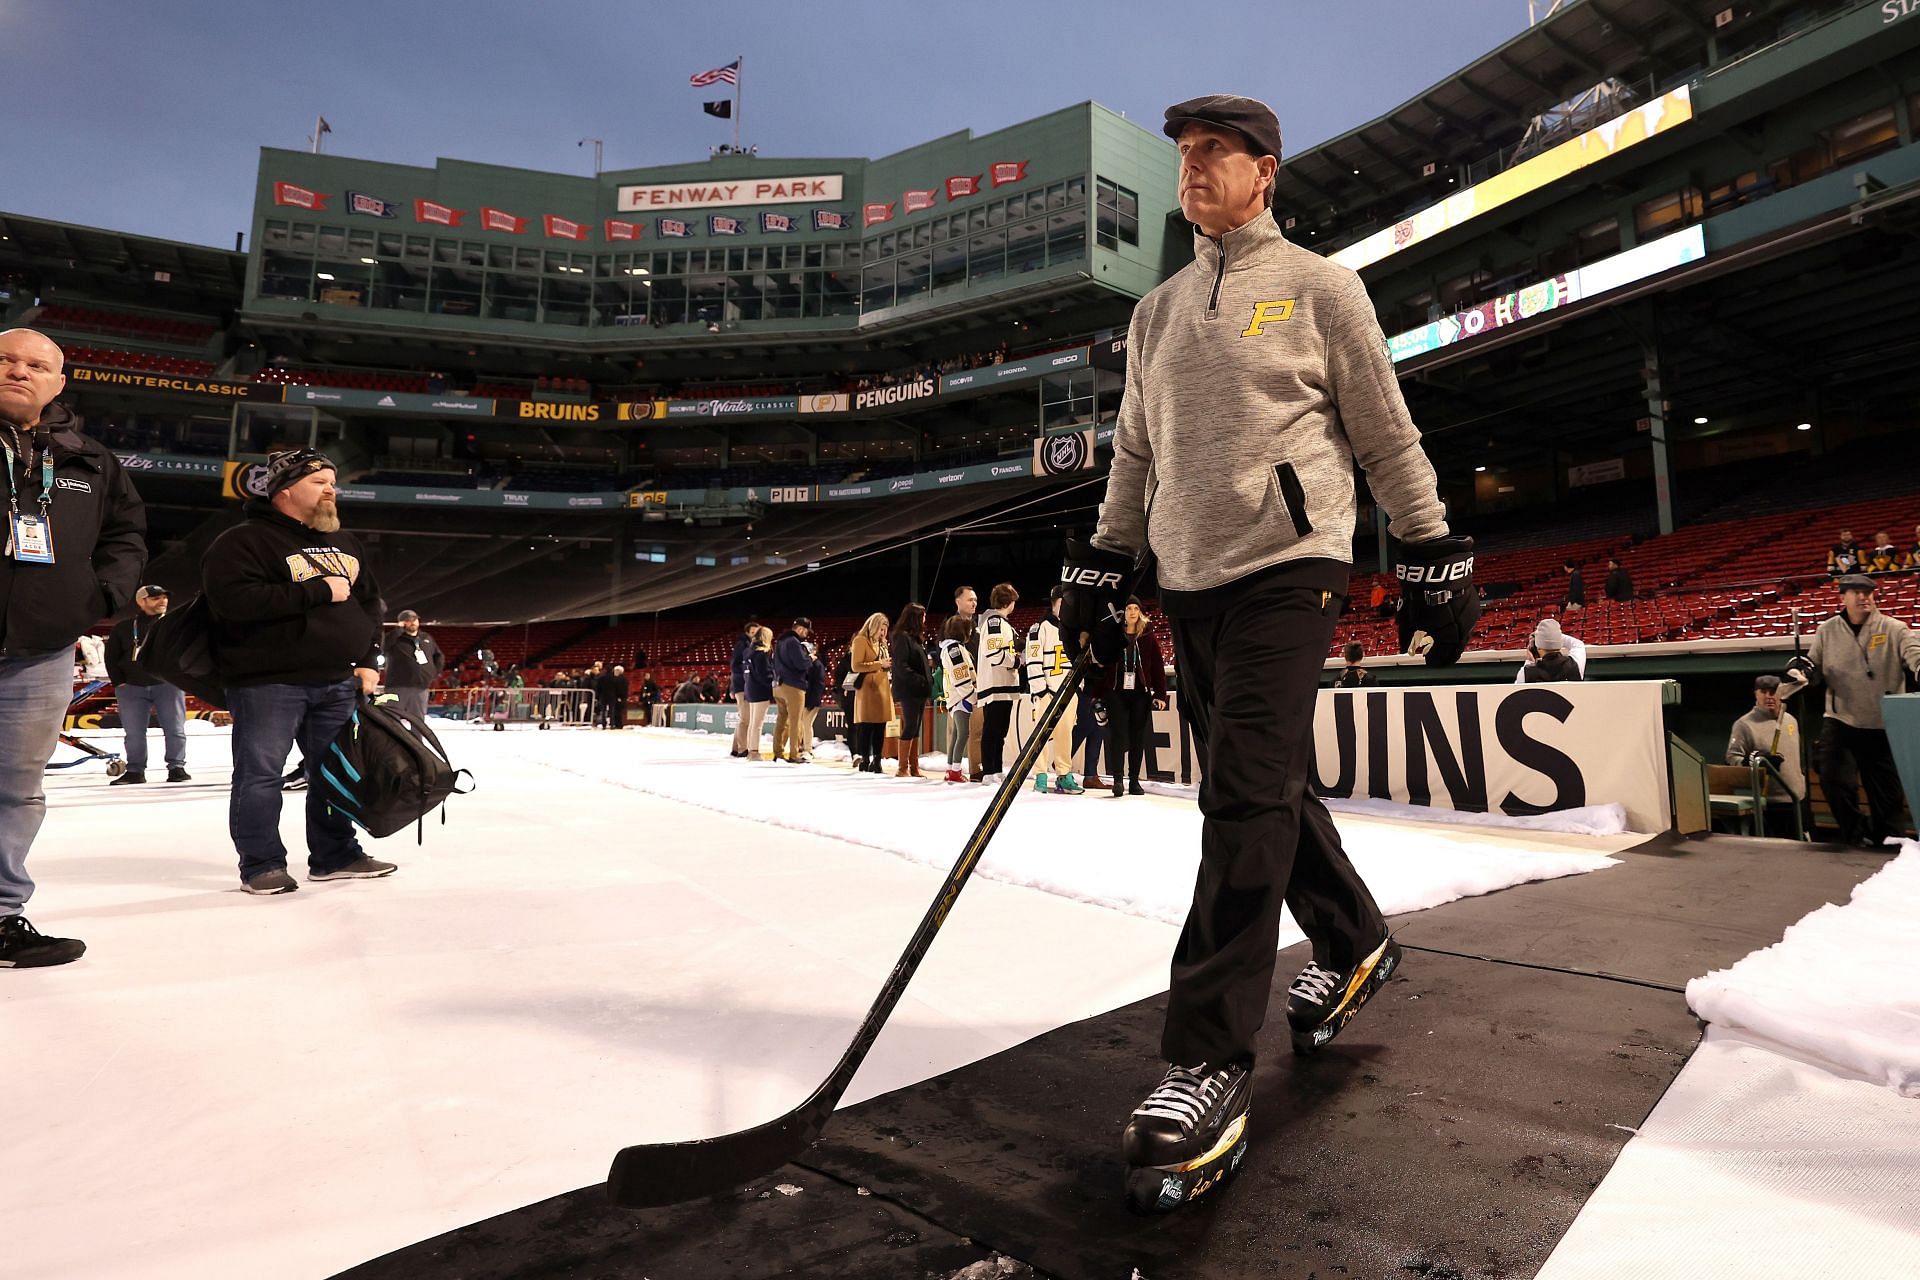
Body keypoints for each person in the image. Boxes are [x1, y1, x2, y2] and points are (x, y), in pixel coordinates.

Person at [1056, 95, 1477, 1210]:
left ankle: (1205, 1059)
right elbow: (1135, 456)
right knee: (1266, 791)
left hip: (1291, 567)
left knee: (1240, 796)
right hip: (1186, 580)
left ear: (1266, 173)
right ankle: (1356, 937)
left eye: (1214, 154)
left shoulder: (1320, 286)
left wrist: (1429, 546)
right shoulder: (1152, 315)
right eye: (1183, 156)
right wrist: (1103, 563)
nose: (1192, 169)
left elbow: (1386, 428)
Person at [0, 328, 146, 966]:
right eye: (6, 360)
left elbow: (126, 535)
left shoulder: (90, 458)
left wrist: (102, 598)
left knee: (16, 789)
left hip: (41, 651)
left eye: (36, 365)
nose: (19, 372)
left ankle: (1, 916)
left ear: (59, 382)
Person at [203, 448, 391, 896]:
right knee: (261, 775)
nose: (332, 489)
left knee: (334, 772)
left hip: (337, 681)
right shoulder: (243, 541)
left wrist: (369, 658)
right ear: (285, 491)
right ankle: (261, 864)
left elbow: (370, 603)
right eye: (319, 482)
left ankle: (336, 855)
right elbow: (233, 603)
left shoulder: (346, 542)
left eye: (332, 481)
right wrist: (316, 592)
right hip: (269, 682)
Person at [1786, 573, 1920, 849]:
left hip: (1882, 724)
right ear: (1842, 597)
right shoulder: (1828, 630)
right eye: (1857, 592)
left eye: (1869, 592)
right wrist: (1803, 670)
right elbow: (1814, 666)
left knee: (1887, 799)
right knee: (1833, 779)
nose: (1864, 597)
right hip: (1841, 720)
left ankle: (1887, 847)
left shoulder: (1894, 628)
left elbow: (1914, 651)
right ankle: (1856, 836)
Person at [104, 584, 189, 785]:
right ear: (141, 601)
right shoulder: (124, 628)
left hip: (168, 686)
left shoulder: (175, 624)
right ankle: (135, 771)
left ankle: (177, 767)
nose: (163, 601)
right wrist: (120, 682)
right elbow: (111, 657)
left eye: (165, 597)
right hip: (132, 687)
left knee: (175, 729)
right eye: (156, 598)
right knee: (134, 733)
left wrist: (181, 678)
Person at [1099, 598, 1167, 797]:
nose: (1132, 612)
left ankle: (1134, 780)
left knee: (1138, 737)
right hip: (1116, 693)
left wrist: (1161, 694)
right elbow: (1103, 665)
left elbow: (1158, 667)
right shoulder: (1113, 636)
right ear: (1123, 612)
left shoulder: (1147, 636)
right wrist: (1098, 694)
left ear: (1140, 612)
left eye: (1135, 608)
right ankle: (1118, 780)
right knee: (1118, 736)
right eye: (1128, 608)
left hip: (1140, 694)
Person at [1727, 674, 1806, 837]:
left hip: (1797, 800)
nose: (1769, 696)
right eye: (1764, 692)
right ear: (1756, 694)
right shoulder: (1744, 725)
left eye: (1773, 691)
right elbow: (1732, 758)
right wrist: (1757, 761)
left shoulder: (1791, 720)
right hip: (1769, 804)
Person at [1024, 585, 1083, 794]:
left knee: (1065, 734)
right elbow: (1032, 660)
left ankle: (1063, 775)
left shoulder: (1075, 630)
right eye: (1062, 603)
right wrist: (1040, 691)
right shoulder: (1038, 628)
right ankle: (1040, 774)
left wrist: (1076, 688)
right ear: (1053, 604)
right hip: (1046, 693)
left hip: (1067, 693)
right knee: (1041, 735)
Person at [973, 583, 1023, 780]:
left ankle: (996, 769)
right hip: (996, 685)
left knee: (1000, 731)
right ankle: (989, 770)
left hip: (1003, 685)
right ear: (1008, 601)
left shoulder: (1000, 623)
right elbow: (994, 653)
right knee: (992, 730)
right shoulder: (994, 622)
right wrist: (1016, 661)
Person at [890, 604, 932, 779]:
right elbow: (901, 665)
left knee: (915, 728)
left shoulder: (916, 639)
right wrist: (919, 680)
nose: (924, 620)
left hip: (919, 690)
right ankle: (902, 768)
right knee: (910, 726)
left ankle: (914, 767)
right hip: (910, 689)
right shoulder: (901, 637)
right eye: (922, 616)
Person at [380, 608, 444, 724]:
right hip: (396, 686)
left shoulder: (426, 638)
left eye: (414, 619)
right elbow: (381, 648)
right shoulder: (394, 637)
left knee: (418, 722)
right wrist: (398, 630)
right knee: (391, 721)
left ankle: (415, 742)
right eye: (408, 620)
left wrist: (433, 673)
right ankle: (390, 743)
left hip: (420, 687)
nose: (413, 622)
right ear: (402, 623)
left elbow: (438, 656)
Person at [849, 611, 893, 773]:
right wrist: (878, 664)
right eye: (881, 629)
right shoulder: (860, 640)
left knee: (881, 726)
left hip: (882, 687)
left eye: (885, 630)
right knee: (867, 726)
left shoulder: (882, 643)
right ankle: (865, 760)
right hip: (868, 689)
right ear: (873, 627)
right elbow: (856, 666)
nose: (883, 633)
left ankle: (877, 760)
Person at [938, 614, 977, 784]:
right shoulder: (955, 650)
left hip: (956, 696)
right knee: (963, 734)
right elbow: (961, 676)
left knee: (956, 734)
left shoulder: (951, 648)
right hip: (961, 696)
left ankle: (951, 768)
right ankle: (955, 770)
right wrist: (972, 696)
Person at [772, 617, 813, 763]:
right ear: (801, 629)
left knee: (781, 720)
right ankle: (794, 754)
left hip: (778, 685)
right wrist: (810, 659)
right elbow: (801, 664)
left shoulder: (780, 641)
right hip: (793, 686)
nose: (806, 634)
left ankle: (777, 752)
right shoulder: (794, 642)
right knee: (796, 721)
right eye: (806, 631)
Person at [1517, 618, 1586, 683]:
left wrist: (1529, 660)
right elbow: (1577, 644)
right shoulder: (1575, 665)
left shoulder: (1525, 673)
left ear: (1538, 647)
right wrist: (1553, 635)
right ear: (1560, 642)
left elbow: (1517, 692)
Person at [741, 627, 774, 757]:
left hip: (750, 689)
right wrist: (773, 682)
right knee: (757, 724)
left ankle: (751, 749)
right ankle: (754, 751)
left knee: (753, 723)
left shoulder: (749, 652)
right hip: (760, 691)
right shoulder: (761, 654)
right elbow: (764, 674)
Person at [728, 617, 757, 757]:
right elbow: (735, 666)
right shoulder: (742, 645)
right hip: (742, 685)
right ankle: (742, 749)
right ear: (747, 632)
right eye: (752, 632)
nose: (755, 635)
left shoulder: (749, 645)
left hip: (743, 685)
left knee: (743, 718)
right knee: (745, 718)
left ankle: (735, 748)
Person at [801, 642, 825, 760]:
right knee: (802, 724)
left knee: (806, 724)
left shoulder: (817, 665)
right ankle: (803, 747)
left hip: (812, 701)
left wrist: (813, 702)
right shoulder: (806, 665)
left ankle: (808, 749)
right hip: (805, 700)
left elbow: (818, 686)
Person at [602, 663, 630, 729]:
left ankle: (619, 724)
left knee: (618, 711)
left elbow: (622, 689)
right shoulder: (617, 679)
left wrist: (620, 697)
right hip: (617, 697)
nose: (615, 672)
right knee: (616, 711)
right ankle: (617, 724)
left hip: (620, 697)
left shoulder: (622, 679)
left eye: (616, 671)